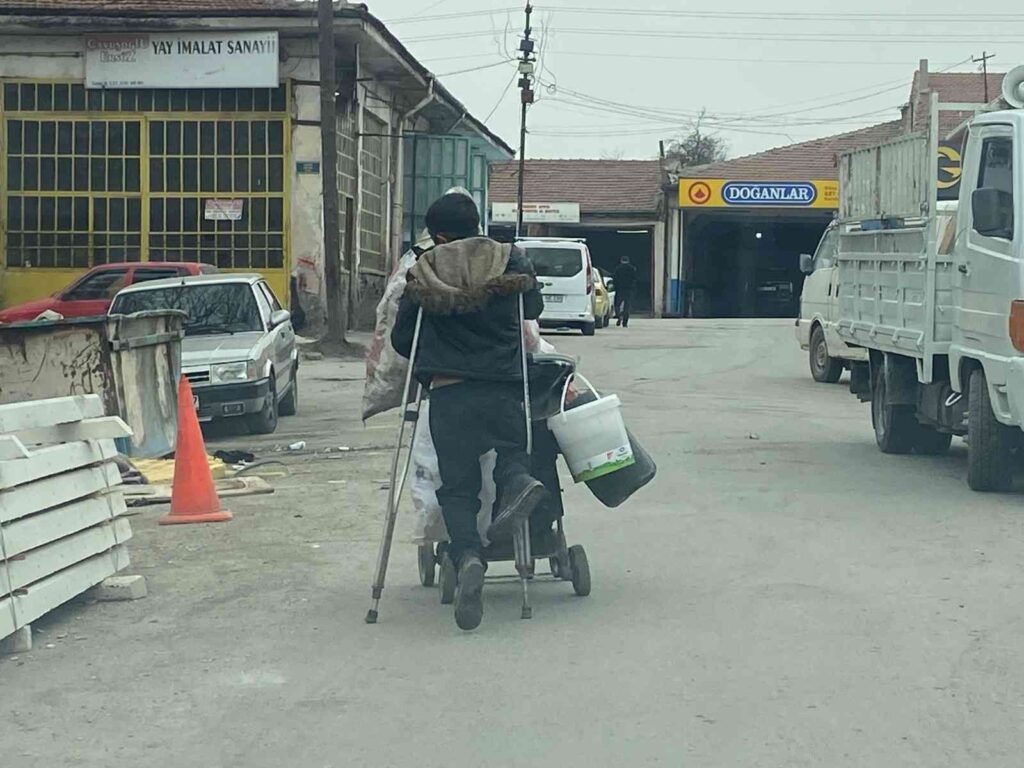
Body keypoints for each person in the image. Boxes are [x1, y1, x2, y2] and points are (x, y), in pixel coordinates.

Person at [391, 193, 546, 631]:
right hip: (503, 386)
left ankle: (467, 557)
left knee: (458, 485)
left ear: (439, 234)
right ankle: (517, 483)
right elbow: (531, 309)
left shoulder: (424, 269)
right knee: (513, 452)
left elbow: (404, 340)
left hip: (449, 393)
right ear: (476, 222)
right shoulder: (509, 258)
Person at [613, 255, 637, 327]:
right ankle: (625, 323)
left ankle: (619, 316)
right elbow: (634, 279)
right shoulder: (632, 269)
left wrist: (615, 287)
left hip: (619, 289)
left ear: (621, 260)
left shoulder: (618, 268)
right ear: (628, 261)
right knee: (627, 306)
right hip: (628, 290)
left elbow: (615, 279)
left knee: (617, 304)